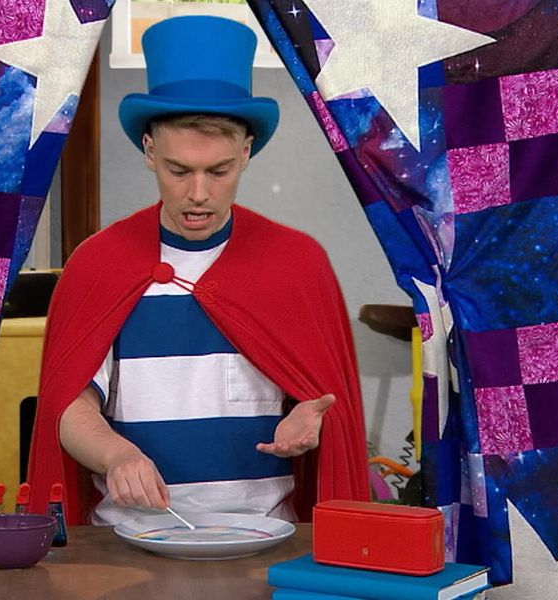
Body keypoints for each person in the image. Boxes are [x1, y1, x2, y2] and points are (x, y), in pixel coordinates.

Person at [26, 15, 368, 525]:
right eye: (179, 170)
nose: (199, 194)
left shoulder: (298, 264)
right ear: (149, 151)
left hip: (262, 536)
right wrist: (116, 455)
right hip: (127, 541)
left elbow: (324, 403)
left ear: (246, 153)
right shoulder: (98, 264)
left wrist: (308, 417)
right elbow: (67, 405)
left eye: (219, 170)